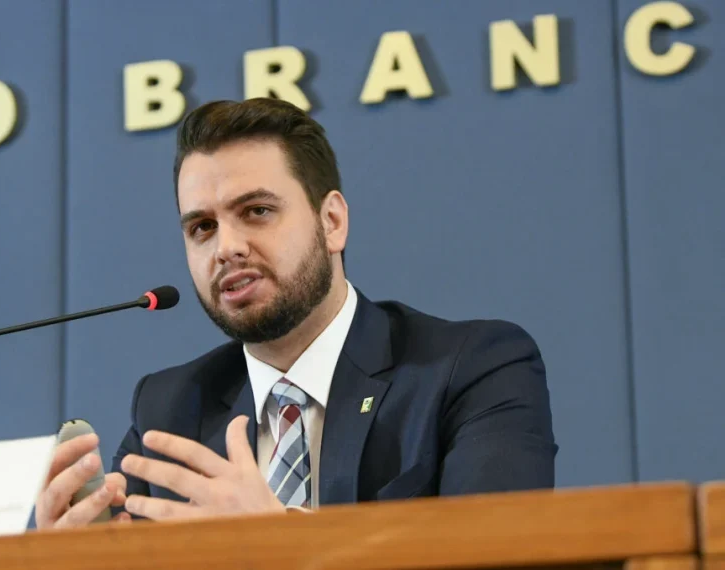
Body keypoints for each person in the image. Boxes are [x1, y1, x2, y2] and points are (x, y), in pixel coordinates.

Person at [34, 97, 558, 529]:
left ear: (332, 222)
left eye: (257, 211)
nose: (226, 248)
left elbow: (498, 554)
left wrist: (281, 541)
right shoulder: (170, 408)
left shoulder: (473, 368)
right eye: (202, 228)